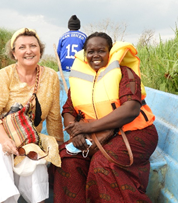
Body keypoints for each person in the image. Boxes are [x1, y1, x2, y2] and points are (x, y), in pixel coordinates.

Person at [49, 32, 159, 203]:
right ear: (85, 55)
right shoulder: (80, 79)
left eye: (101, 51)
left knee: (104, 162)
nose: (95, 55)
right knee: (67, 159)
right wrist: (75, 133)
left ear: (110, 52)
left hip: (134, 132)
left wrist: (87, 128)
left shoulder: (125, 73)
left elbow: (131, 109)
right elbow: (68, 109)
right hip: (94, 135)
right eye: (91, 52)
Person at [0, 28, 64, 203]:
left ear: (40, 51)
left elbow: (54, 116)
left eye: (33, 46)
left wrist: (57, 146)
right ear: (14, 53)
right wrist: (5, 141)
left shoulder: (51, 77)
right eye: (22, 47)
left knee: (35, 159)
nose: (28, 50)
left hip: (27, 135)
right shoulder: (4, 75)